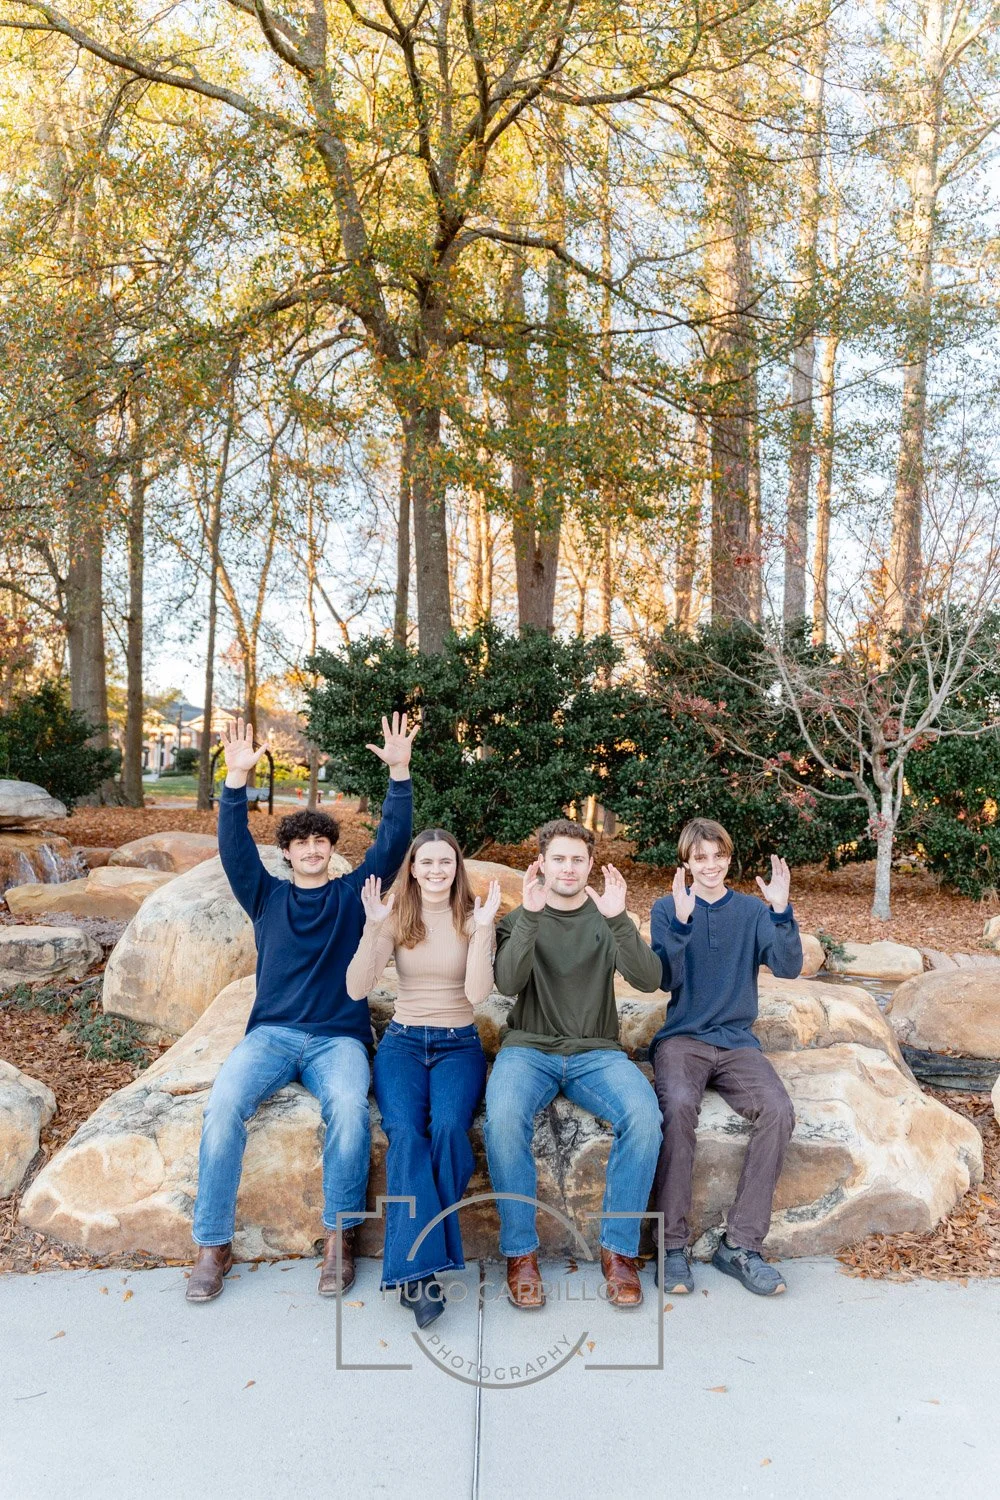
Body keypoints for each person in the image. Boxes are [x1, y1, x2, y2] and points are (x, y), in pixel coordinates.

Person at [185, 712, 416, 1304]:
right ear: (286, 853)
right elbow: (235, 848)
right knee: (224, 1106)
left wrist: (399, 773)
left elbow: (392, 843)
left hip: (338, 1038)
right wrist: (234, 782)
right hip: (271, 1037)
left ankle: (339, 1239)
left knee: (346, 1108)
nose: (313, 849)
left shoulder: (352, 894)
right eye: (301, 843)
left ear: (332, 851)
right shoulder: (265, 896)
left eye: (321, 841)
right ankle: (213, 1243)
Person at [483, 819, 663, 1309]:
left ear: (589, 865)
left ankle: (619, 1253)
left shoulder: (606, 917)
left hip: (595, 1053)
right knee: (501, 1119)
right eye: (558, 859)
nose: (568, 868)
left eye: (577, 860)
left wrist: (619, 920)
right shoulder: (521, 916)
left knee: (645, 1118)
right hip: (529, 1049)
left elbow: (649, 981)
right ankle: (521, 1255)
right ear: (541, 862)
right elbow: (506, 982)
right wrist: (531, 918)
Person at [346, 832, 501, 1328]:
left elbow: (478, 993)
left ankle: (416, 1270)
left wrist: (482, 931)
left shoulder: (473, 917)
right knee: (407, 1135)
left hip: (459, 1043)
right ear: (412, 868)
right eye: (426, 862)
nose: (436, 870)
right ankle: (423, 1272)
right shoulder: (394, 916)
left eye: (446, 862)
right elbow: (357, 986)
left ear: (457, 868)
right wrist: (372, 930)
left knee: (451, 1130)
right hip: (403, 1045)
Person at [649, 817, 802, 1298]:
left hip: (737, 1042)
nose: (710, 865)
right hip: (683, 1039)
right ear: (687, 862)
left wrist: (780, 912)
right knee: (676, 1107)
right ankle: (672, 1247)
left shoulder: (753, 912)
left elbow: (789, 967)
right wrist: (679, 922)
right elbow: (663, 981)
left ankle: (739, 1246)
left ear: (729, 859)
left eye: (718, 856)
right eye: (700, 858)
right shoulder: (666, 907)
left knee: (778, 1110)